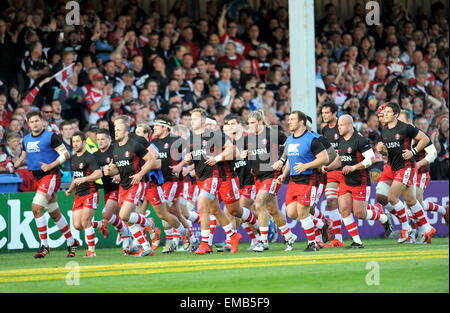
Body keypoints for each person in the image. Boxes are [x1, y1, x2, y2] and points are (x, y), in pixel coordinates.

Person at [14, 111, 79, 258]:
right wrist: (19, 162)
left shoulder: (51, 136)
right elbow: (25, 158)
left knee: (36, 208)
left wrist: (51, 165)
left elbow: (65, 154)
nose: (35, 124)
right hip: (37, 178)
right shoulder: (26, 139)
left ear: (42, 122)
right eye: (31, 122)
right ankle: (71, 241)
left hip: (51, 175)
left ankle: (44, 245)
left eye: (37, 121)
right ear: (28, 124)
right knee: (54, 212)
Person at [184, 108, 242, 254]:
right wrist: (188, 159)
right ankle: (233, 236)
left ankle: (205, 244)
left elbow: (230, 148)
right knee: (215, 210)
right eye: (191, 119)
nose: (192, 122)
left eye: (195, 119)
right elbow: (194, 158)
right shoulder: (191, 139)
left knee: (202, 207)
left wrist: (216, 158)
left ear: (203, 120)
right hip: (200, 178)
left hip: (213, 176)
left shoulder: (214, 135)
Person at [376, 102, 436, 243]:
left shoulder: (406, 128)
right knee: (410, 200)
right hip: (394, 167)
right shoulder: (385, 130)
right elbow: (390, 152)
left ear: (396, 115)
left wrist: (413, 151)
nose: (386, 114)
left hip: (407, 167)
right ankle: (427, 228)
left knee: (392, 197)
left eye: (389, 111)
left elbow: (425, 139)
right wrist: (382, 150)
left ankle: (406, 228)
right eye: (385, 111)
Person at [327, 115, 389, 249]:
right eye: (338, 125)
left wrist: (353, 167)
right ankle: (357, 242)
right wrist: (328, 167)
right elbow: (339, 159)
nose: (339, 128)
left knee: (360, 214)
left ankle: (383, 218)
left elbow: (370, 159)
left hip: (360, 181)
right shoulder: (341, 140)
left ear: (350, 125)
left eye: (341, 125)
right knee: (344, 210)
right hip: (345, 181)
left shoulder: (360, 140)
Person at [103, 117, 160, 257]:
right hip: (124, 185)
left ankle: (148, 222)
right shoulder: (115, 147)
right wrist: (110, 171)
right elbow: (117, 168)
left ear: (127, 132)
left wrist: (140, 174)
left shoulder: (135, 145)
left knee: (123, 215)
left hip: (137, 183)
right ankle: (146, 248)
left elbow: (152, 159)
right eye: (115, 130)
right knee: (127, 220)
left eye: (119, 130)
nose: (116, 133)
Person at [243, 110, 296, 252]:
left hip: (272, 175)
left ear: (261, 122)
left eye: (253, 123)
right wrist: (244, 154)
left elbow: (289, 145)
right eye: (249, 123)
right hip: (258, 176)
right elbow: (245, 153)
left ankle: (263, 241)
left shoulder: (272, 133)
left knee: (259, 204)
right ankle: (289, 235)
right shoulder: (248, 138)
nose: (251, 125)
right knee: (272, 209)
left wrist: (281, 160)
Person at [277, 111, 329, 251]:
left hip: (308, 179)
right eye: (289, 119)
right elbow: (290, 158)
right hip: (294, 180)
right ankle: (321, 224)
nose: (289, 122)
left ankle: (312, 244)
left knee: (303, 212)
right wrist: (284, 174)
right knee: (292, 214)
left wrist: (305, 166)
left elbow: (324, 158)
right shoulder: (290, 139)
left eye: (292, 119)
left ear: (301, 122)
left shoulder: (312, 139)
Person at [92, 128, 133, 252]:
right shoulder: (94, 155)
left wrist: (119, 174)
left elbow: (128, 165)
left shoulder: (116, 151)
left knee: (106, 213)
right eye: (98, 139)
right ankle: (129, 236)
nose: (100, 142)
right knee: (117, 217)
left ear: (110, 139)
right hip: (107, 189)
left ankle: (127, 235)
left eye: (103, 139)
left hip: (120, 187)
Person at [65, 131, 102, 257]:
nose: (75, 144)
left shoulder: (89, 157)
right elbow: (76, 175)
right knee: (77, 225)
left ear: (84, 142)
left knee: (86, 221)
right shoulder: (74, 158)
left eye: (77, 141)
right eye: (73, 141)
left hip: (90, 192)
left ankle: (91, 251)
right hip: (78, 195)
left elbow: (98, 173)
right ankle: (101, 224)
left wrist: (85, 179)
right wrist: (70, 189)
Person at [319, 101, 345, 247]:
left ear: (335, 113)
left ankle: (379, 214)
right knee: (331, 201)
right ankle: (338, 239)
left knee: (354, 208)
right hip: (332, 171)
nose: (324, 115)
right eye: (323, 113)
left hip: (346, 169)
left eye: (327, 113)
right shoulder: (324, 130)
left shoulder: (343, 126)